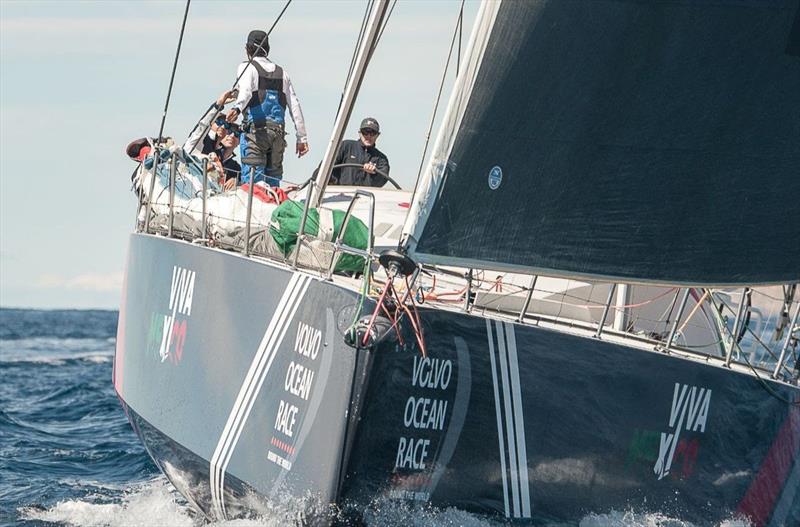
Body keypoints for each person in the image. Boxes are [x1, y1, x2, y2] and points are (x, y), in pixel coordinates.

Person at [226, 30, 309, 187]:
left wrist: (237, 109)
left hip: (256, 134)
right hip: (278, 135)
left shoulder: (247, 67)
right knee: (273, 186)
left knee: (253, 187)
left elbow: (245, 92)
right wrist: (301, 138)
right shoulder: (282, 73)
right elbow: (294, 105)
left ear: (247, 49)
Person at [324, 117, 390, 187]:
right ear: (359, 133)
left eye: (372, 133)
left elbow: (382, 180)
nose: (368, 136)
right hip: (341, 195)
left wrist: (374, 173)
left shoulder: (382, 159)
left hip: (367, 196)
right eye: (365, 132)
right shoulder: (345, 146)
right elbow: (325, 167)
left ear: (377, 135)